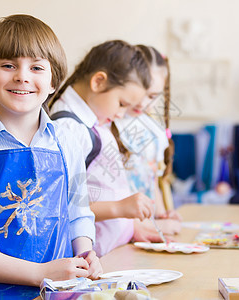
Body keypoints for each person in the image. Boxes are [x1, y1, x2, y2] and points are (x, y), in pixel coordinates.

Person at [0, 14, 101, 299]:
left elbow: (79, 212)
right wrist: (40, 273)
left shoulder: (68, 142)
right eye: (8, 65)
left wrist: (86, 251)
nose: (22, 76)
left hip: (59, 292)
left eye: (37, 67)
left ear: (53, 82)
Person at [48, 40, 164, 257]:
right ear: (98, 82)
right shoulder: (69, 128)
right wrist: (120, 208)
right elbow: (59, 206)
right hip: (90, 257)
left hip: (113, 250)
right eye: (121, 103)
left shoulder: (94, 120)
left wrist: (132, 226)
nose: (121, 114)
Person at [113, 45, 182, 235]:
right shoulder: (109, 122)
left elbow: (151, 180)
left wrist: (161, 215)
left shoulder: (152, 129)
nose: (143, 103)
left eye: (152, 96)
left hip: (148, 230)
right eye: (141, 92)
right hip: (120, 231)